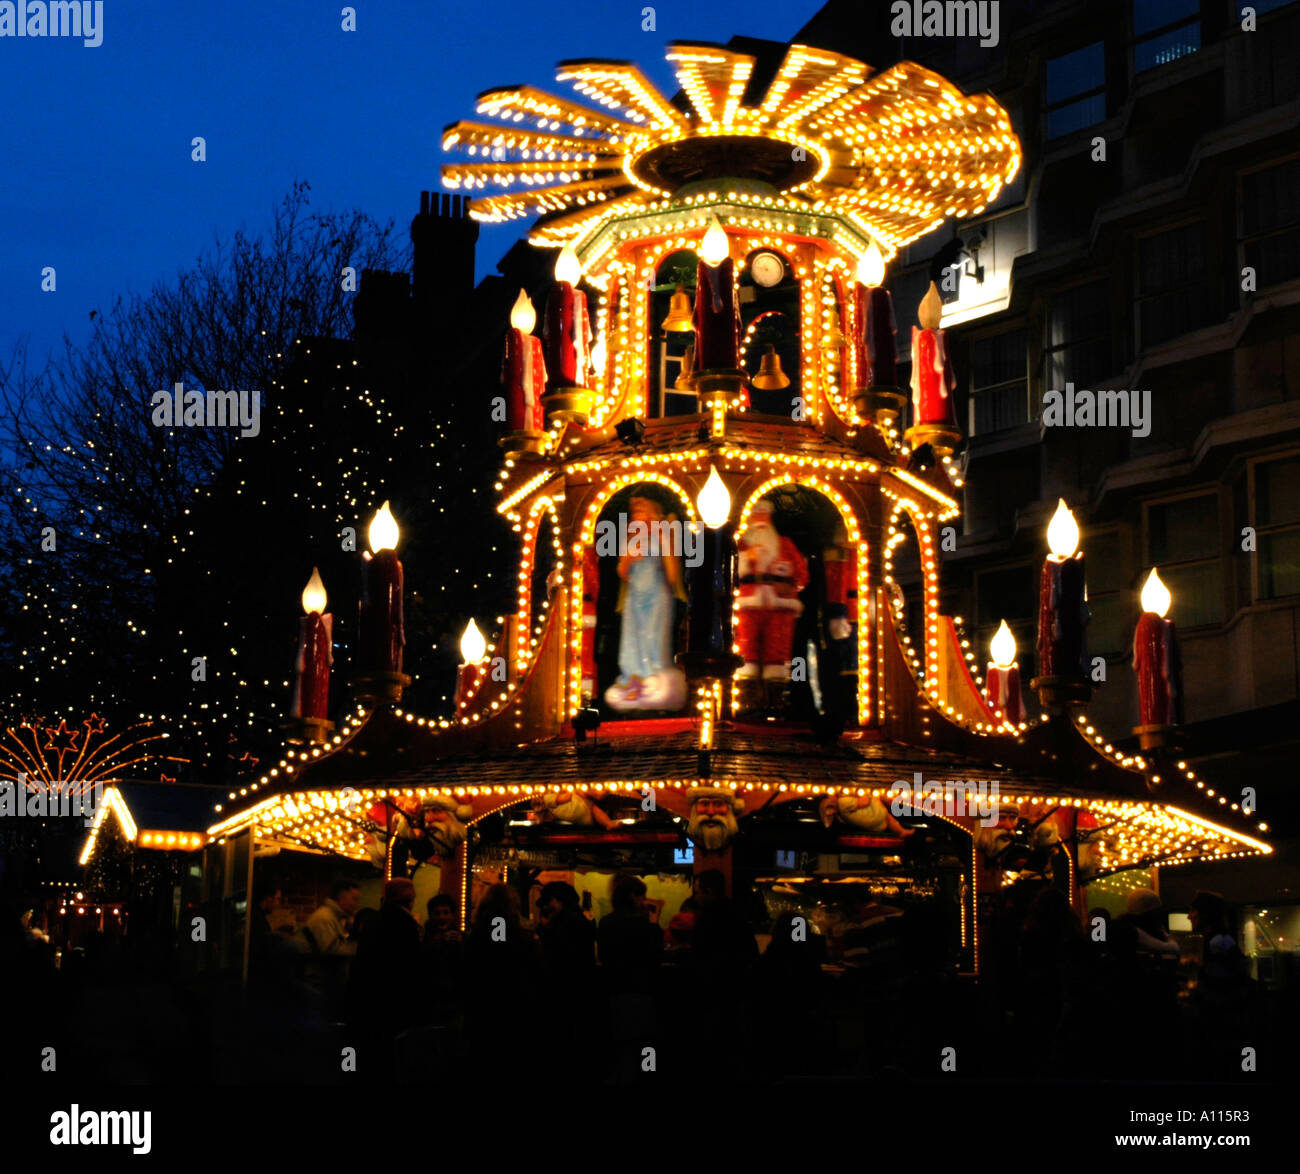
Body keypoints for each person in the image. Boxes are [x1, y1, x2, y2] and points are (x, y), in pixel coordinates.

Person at [604, 495, 687, 712]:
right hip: (635, 597)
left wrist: (662, 543)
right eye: (635, 513)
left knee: (652, 638)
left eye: (642, 512)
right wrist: (629, 558)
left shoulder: (662, 535)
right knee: (632, 640)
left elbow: (671, 572)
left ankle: (652, 678)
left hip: (656, 594)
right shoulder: (631, 538)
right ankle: (633, 680)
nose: (638, 516)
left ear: (650, 514)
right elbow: (622, 572)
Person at [347, 879, 424, 1071]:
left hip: (369, 1001)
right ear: (411, 898)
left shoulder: (375, 921)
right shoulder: (406, 925)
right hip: (395, 1003)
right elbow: (411, 967)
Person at [596, 874, 663, 995]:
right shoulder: (643, 924)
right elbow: (655, 954)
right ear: (633, 896)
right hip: (640, 986)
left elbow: (603, 955)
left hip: (613, 985)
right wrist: (654, 924)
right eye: (643, 896)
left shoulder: (606, 921)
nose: (644, 901)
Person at [305, 879, 361, 955]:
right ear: (341, 897)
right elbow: (333, 952)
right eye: (354, 899)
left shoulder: (336, 917)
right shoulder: (325, 918)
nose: (356, 905)